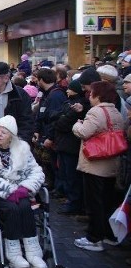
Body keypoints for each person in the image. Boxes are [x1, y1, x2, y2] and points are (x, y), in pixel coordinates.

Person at [0, 115, 47, 268]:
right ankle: (14, 254)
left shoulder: (23, 149)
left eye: (3, 132)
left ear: (12, 136)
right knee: (13, 209)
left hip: (20, 193)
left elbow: (37, 172)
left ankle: (33, 253)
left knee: (25, 206)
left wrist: (25, 188)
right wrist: (8, 188)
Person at [72, 81, 125, 251]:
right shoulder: (115, 111)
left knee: (94, 202)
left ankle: (94, 238)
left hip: (95, 163)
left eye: (91, 92)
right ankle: (108, 234)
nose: (89, 95)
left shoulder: (96, 112)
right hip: (111, 162)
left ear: (98, 94)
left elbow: (84, 132)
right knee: (107, 201)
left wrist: (77, 124)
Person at [53, 80, 89, 215]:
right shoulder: (68, 103)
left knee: (72, 176)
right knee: (66, 174)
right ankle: (70, 200)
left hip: (71, 145)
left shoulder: (79, 106)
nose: (67, 90)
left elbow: (62, 123)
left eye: (70, 88)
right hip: (64, 144)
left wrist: (63, 117)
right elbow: (54, 117)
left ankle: (73, 203)